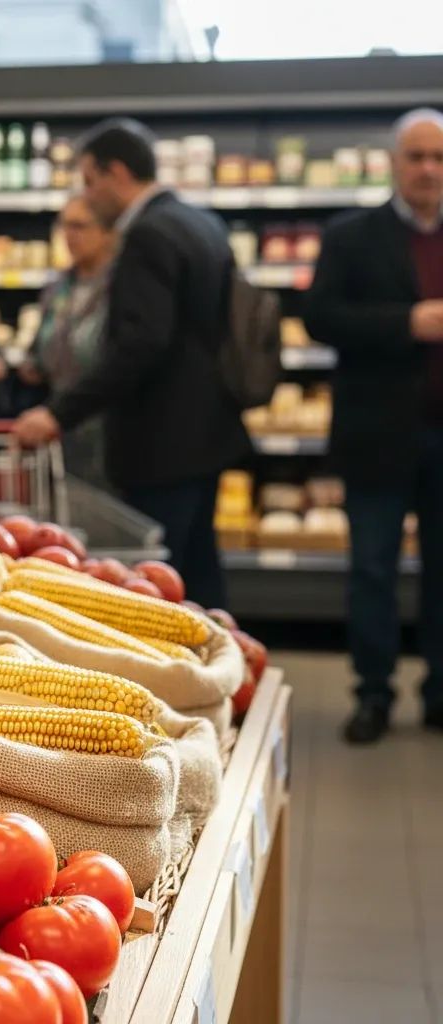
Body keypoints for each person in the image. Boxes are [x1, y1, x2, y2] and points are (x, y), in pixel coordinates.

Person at [12, 119, 249, 608]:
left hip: (160, 440)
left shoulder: (147, 234)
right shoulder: (200, 221)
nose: (87, 194)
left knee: (159, 587)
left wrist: (59, 412)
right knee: (200, 575)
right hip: (209, 433)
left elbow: (140, 344)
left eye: (89, 180)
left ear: (116, 172)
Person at [305, 107, 443, 744]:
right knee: (373, 569)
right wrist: (406, 323)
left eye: (438, 157)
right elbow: (321, 317)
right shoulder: (351, 235)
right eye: (416, 156)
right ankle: (373, 693)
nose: (427, 168)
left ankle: (440, 692)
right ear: (394, 162)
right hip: (378, 432)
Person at [0, 194, 117, 488]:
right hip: (61, 428)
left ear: (108, 232)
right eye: (65, 226)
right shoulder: (58, 288)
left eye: (80, 226)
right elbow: (42, 348)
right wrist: (26, 365)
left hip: (108, 430)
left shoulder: (120, 287)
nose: (69, 236)